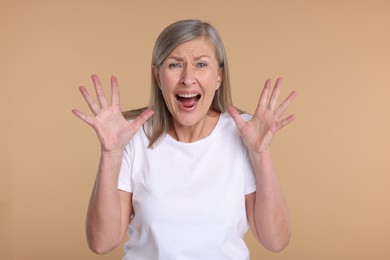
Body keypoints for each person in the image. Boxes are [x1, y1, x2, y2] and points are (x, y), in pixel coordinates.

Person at [72, 19, 297, 259]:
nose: (188, 78)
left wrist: (260, 155)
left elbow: (275, 240)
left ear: (219, 76)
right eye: (174, 65)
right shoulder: (132, 136)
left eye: (201, 64)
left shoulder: (243, 133)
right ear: (157, 76)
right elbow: (101, 242)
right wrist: (111, 153)